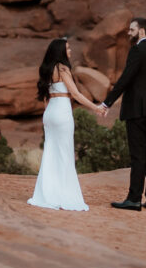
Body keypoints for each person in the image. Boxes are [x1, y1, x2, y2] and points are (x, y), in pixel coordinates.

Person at [28, 37, 104, 211]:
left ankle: (45, 194)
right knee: (64, 154)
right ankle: (63, 194)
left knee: (50, 153)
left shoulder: (46, 69)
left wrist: (46, 115)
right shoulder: (63, 69)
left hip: (50, 113)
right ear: (60, 51)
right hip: (62, 112)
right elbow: (75, 94)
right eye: (68, 49)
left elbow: (46, 97)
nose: (70, 51)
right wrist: (96, 108)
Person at [101, 16, 146, 211]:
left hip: (137, 111)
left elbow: (126, 79)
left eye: (131, 30)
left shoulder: (137, 50)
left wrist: (107, 102)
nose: (128, 33)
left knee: (138, 154)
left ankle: (134, 198)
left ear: (142, 31)